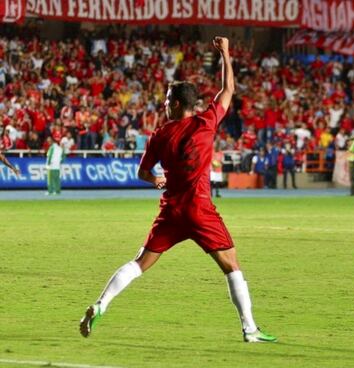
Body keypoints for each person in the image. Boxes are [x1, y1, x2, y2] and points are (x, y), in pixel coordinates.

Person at [79, 37, 277, 343]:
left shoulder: (159, 135)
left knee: (140, 262)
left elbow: (143, 172)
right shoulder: (205, 122)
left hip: (171, 210)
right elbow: (228, 91)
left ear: (175, 104)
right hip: (199, 209)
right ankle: (250, 329)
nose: (163, 103)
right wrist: (224, 53)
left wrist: (157, 180)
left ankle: (101, 303)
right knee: (231, 267)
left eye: (167, 99)